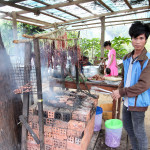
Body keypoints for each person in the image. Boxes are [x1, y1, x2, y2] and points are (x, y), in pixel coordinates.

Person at [111, 21, 150, 150]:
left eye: (141, 38)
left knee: (139, 131)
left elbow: (143, 85)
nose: (137, 41)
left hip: (138, 102)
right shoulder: (127, 58)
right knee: (128, 126)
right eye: (135, 38)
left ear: (145, 40)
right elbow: (124, 78)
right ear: (131, 39)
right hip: (127, 100)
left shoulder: (147, 60)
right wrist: (118, 90)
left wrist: (121, 92)